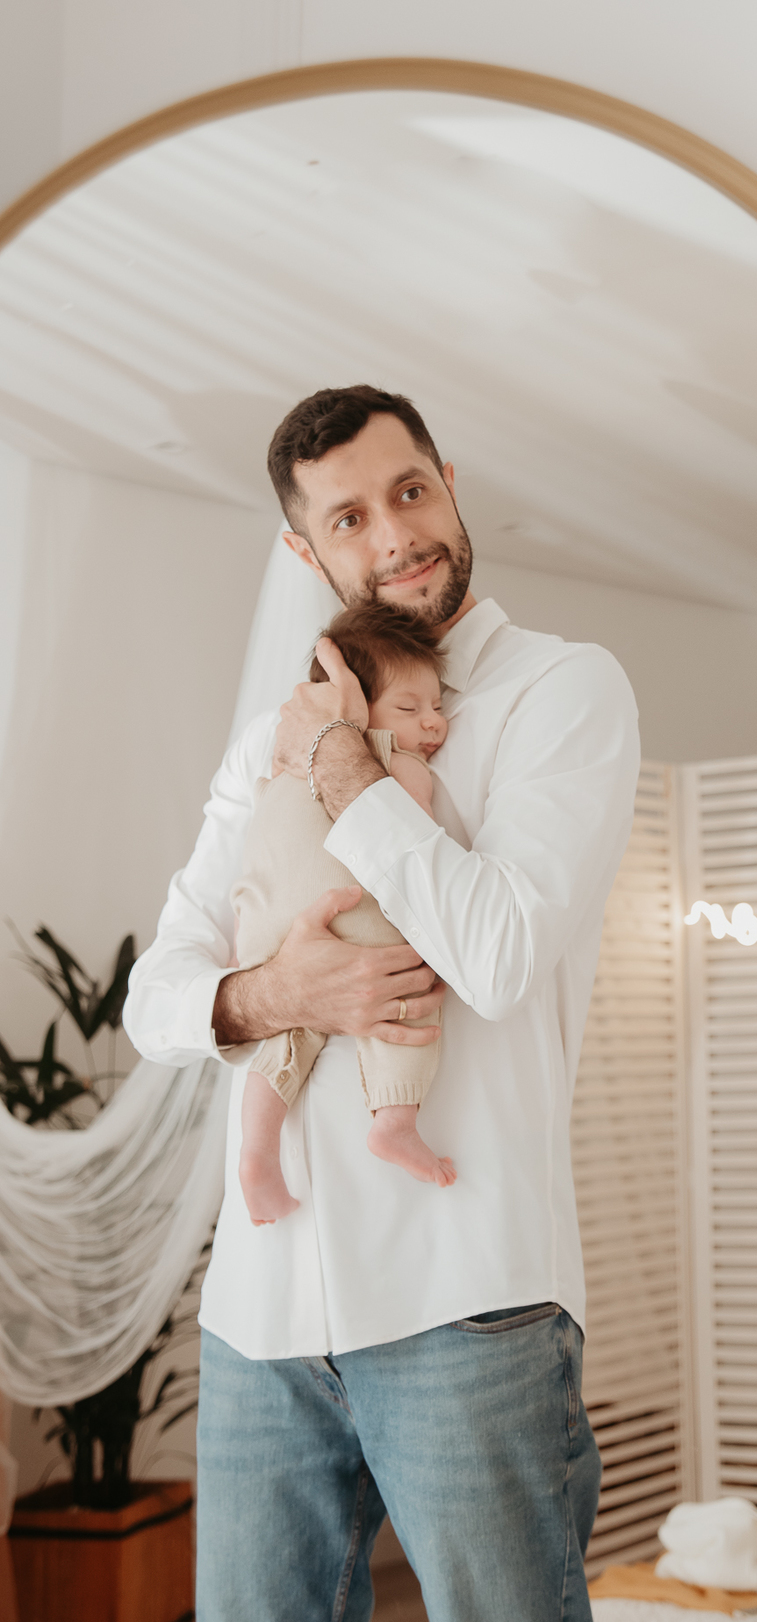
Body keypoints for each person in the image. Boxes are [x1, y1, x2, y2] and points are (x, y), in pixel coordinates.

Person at [124, 385, 641, 1622]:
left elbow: (502, 951)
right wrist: (269, 993)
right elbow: (158, 995)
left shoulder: (563, 692)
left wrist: (353, 767)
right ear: (307, 551)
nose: (394, 534)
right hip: (261, 1316)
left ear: (449, 481)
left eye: (410, 491)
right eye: (349, 516)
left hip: (467, 1300)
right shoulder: (266, 739)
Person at [235, 602, 456, 1227]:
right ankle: (395, 1122)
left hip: (270, 930)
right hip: (352, 914)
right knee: (410, 997)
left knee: (285, 1035)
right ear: (351, 706)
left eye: (437, 706)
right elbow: (409, 842)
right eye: (410, 709)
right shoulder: (390, 760)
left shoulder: (280, 763)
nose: (434, 723)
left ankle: (256, 1154)